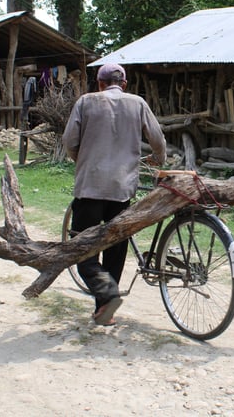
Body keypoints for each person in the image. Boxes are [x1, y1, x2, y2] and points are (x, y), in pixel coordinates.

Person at [62, 63, 166, 326]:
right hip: (122, 189)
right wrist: (158, 158)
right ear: (124, 84)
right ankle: (105, 309)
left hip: (90, 187)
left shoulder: (86, 102)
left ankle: (107, 295)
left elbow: (69, 141)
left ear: (99, 83)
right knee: (115, 248)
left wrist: (81, 159)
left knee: (81, 250)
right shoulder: (137, 103)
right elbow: (158, 139)